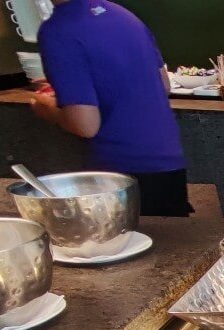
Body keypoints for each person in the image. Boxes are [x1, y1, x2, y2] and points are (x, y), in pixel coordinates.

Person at [30, 0, 191, 216]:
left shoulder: (58, 30)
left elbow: (85, 125)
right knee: (170, 236)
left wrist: (46, 107)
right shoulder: (124, 15)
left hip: (121, 173)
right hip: (169, 163)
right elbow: (163, 84)